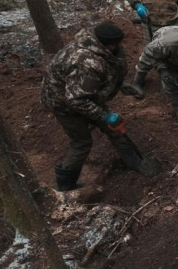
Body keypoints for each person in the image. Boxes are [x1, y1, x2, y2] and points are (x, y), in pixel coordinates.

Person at [40, 22, 154, 191]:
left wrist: (119, 86)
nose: (121, 46)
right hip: (63, 104)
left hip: (82, 94)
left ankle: (135, 163)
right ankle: (66, 185)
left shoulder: (95, 45)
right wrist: (104, 116)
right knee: (82, 142)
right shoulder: (87, 63)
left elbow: (104, 73)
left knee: (114, 128)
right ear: (110, 44)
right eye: (118, 44)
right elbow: (76, 100)